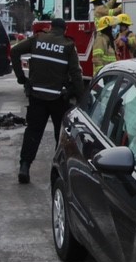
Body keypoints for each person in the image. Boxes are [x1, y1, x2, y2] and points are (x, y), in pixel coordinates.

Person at [11, 17, 83, 184]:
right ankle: (58, 171)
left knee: (33, 132)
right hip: (58, 97)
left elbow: (14, 52)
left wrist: (21, 78)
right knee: (61, 134)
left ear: (50, 27)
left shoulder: (37, 39)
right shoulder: (68, 46)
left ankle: (24, 166)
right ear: (64, 30)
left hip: (37, 96)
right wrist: (80, 97)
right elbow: (76, 74)